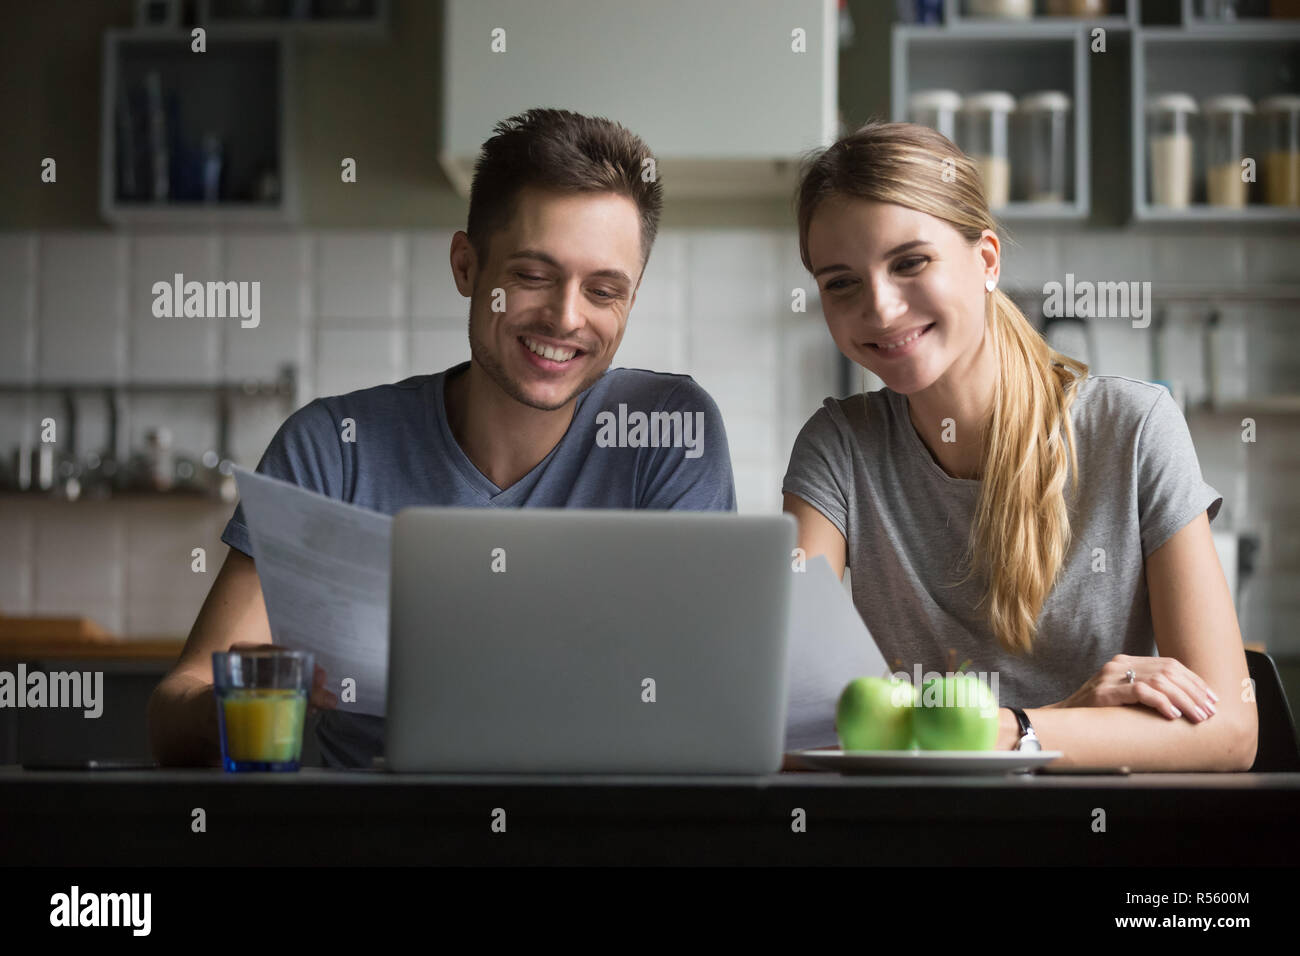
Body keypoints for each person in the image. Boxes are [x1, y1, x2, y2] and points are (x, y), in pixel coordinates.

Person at [149, 108, 737, 769]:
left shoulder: (669, 432)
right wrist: (239, 707)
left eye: (604, 290)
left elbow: (698, 698)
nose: (567, 317)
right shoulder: (331, 448)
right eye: (533, 275)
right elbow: (181, 696)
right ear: (466, 266)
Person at [782, 121, 1257, 771]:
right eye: (842, 282)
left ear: (986, 261)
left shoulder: (1135, 427)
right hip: (907, 832)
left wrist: (1012, 731)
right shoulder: (839, 446)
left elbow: (1229, 729)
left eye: (910, 262)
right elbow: (787, 713)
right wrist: (1070, 717)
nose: (882, 309)